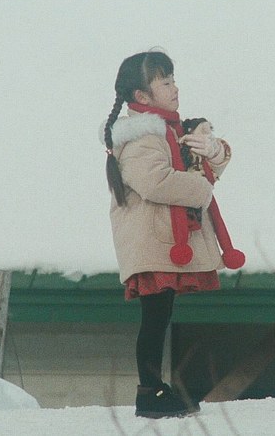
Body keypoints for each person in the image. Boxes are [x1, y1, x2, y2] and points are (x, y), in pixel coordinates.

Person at [100, 50, 244, 418]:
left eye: (173, 80)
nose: (175, 88)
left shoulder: (169, 131)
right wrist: (201, 185)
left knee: (159, 315)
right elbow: (156, 182)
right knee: (155, 317)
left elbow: (196, 171)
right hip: (152, 239)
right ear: (142, 96)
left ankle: (154, 390)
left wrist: (212, 152)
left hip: (161, 239)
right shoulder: (141, 138)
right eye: (165, 83)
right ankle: (149, 392)